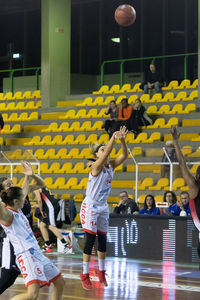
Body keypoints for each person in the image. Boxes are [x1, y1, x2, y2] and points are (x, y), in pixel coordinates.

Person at [80, 126, 128, 290]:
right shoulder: (96, 167)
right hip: (91, 205)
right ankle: (84, 274)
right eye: (102, 150)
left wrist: (122, 140)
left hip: (102, 205)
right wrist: (113, 137)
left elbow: (124, 155)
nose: (105, 151)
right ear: (97, 155)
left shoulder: (110, 166)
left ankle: (101, 271)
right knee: (90, 240)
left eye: (104, 149)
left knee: (102, 240)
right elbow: (108, 153)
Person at [0, 186, 65, 300]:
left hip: (37, 253)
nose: (25, 200)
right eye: (22, 198)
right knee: (32, 295)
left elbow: (37, 184)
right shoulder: (7, 215)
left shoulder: (18, 209)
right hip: (26, 255)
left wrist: (29, 175)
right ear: (15, 201)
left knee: (60, 282)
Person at [0, 161, 45, 295]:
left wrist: (30, 175)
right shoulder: (5, 206)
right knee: (8, 279)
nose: (12, 185)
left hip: (27, 244)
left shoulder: (20, 194)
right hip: (13, 241)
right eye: (8, 184)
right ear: (3, 191)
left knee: (14, 279)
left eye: (12, 182)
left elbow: (41, 184)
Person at [34, 187, 72, 253]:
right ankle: (48, 245)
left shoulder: (36, 188)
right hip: (52, 206)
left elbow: (39, 200)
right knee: (42, 225)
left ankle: (66, 244)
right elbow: (45, 201)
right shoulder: (43, 188)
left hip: (51, 207)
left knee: (51, 226)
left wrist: (41, 210)